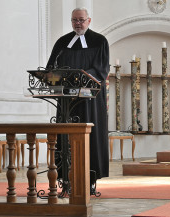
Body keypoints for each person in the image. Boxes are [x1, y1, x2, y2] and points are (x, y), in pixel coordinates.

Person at [46, 7, 110, 182]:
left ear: (88, 21)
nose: (78, 23)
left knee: (89, 137)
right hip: (66, 100)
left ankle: (90, 178)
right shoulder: (62, 42)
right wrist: (54, 76)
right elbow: (50, 67)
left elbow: (101, 70)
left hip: (90, 100)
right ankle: (66, 177)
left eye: (81, 20)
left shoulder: (99, 41)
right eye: (74, 20)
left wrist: (79, 76)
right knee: (66, 136)